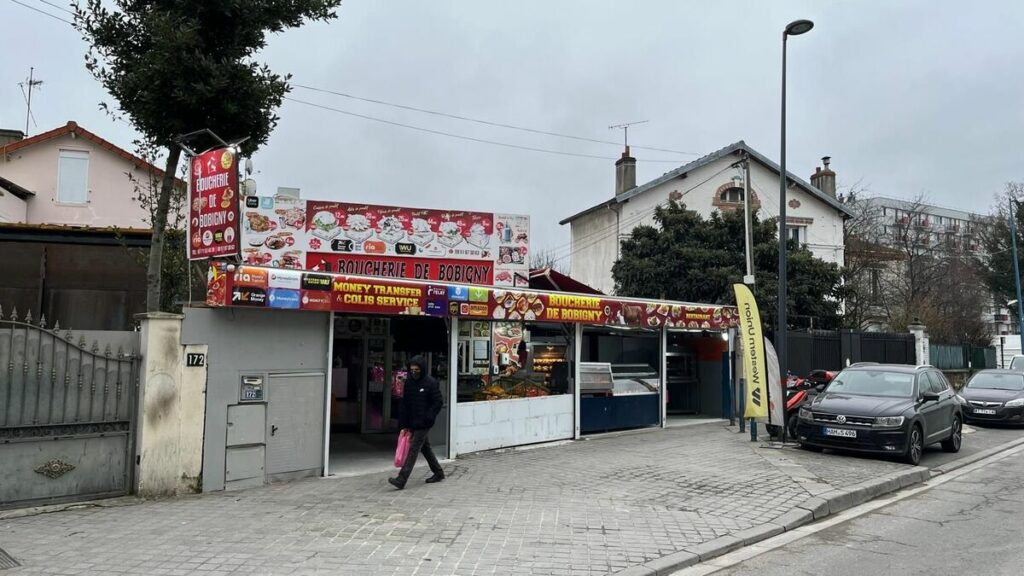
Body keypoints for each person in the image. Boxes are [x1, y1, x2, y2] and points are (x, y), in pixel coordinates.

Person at [389, 355, 445, 489]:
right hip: (413, 421)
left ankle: (402, 478)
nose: (414, 372)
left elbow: (438, 402)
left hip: (424, 422)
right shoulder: (408, 383)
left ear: (422, 369)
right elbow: (405, 404)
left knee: (413, 449)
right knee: (425, 448)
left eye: (416, 370)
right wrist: (404, 424)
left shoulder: (431, 383)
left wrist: (429, 417)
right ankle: (438, 472)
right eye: (412, 370)